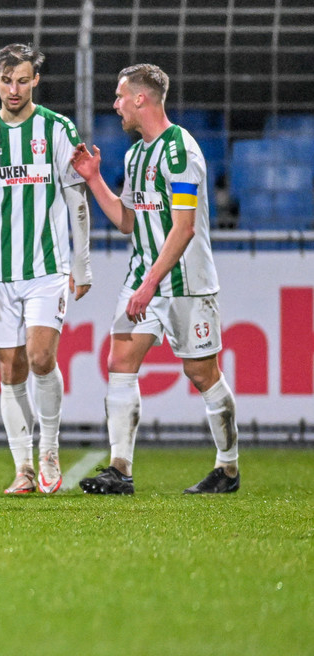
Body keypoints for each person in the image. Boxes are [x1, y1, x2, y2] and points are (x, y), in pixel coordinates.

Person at [71, 63, 237, 495]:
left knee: (202, 373)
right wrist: (93, 180)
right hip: (143, 274)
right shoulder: (136, 153)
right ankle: (120, 471)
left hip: (185, 281)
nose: (115, 104)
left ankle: (228, 469)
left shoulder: (180, 151)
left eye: (120, 95)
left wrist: (149, 285)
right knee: (119, 363)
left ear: (141, 98)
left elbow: (183, 229)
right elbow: (127, 221)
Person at [0, 43, 92, 495]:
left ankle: (49, 450)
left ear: (36, 81)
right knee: (9, 371)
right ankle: (23, 469)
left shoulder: (56, 129)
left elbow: (76, 200)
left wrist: (81, 264)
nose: (15, 89)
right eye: (7, 80)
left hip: (46, 269)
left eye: (24, 80)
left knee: (40, 358)